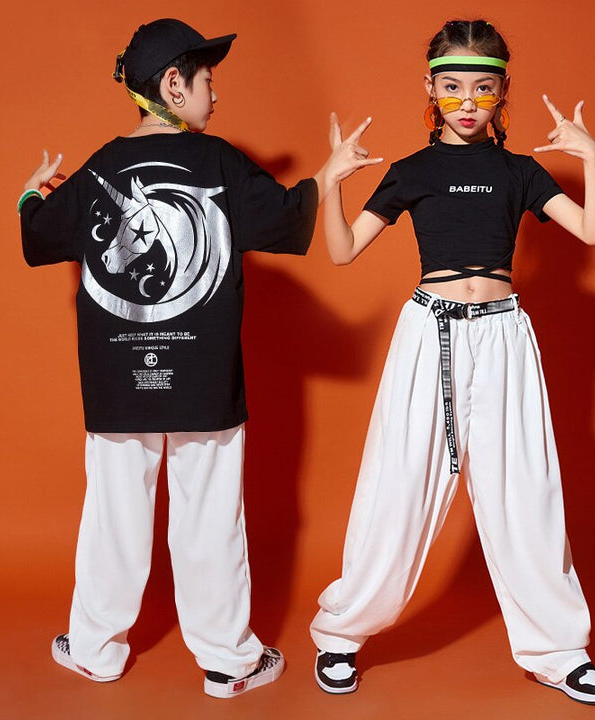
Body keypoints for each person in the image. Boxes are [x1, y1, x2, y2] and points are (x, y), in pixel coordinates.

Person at [19, 18, 348, 699]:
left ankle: (95, 651)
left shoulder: (99, 167)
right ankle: (228, 661)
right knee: (211, 518)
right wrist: (331, 171)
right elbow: (290, 216)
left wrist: (30, 192)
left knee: (114, 515)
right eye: (207, 81)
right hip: (202, 380)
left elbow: (38, 234)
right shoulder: (221, 162)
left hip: (117, 384)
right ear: (174, 84)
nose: (215, 96)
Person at [310, 19, 595, 706]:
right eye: (452, 87)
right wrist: (330, 182)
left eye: (482, 87)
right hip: (430, 334)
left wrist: (592, 157)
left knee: (527, 490)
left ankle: (560, 651)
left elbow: (593, 231)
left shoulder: (520, 172)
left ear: (502, 91)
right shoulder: (411, 172)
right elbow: (342, 250)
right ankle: (340, 635)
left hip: (505, 336)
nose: (468, 101)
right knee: (398, 484)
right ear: (430, 89)